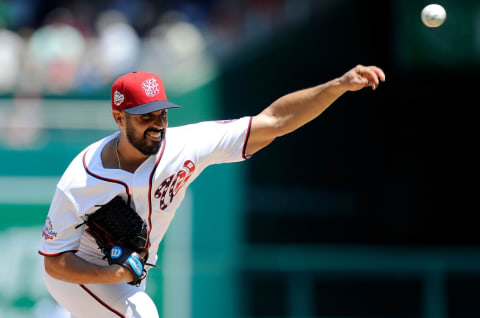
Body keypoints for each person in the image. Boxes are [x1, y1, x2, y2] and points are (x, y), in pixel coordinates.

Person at [39, 65, 385, 317]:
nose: (158, 124)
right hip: (79, 275)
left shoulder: (186, 145)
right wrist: (110, 274)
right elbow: (54, 263)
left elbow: (276, 121)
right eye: (145, 116)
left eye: (161, 113)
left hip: (127, 276)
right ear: (119, 117)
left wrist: (337, 85)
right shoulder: (81, 180)